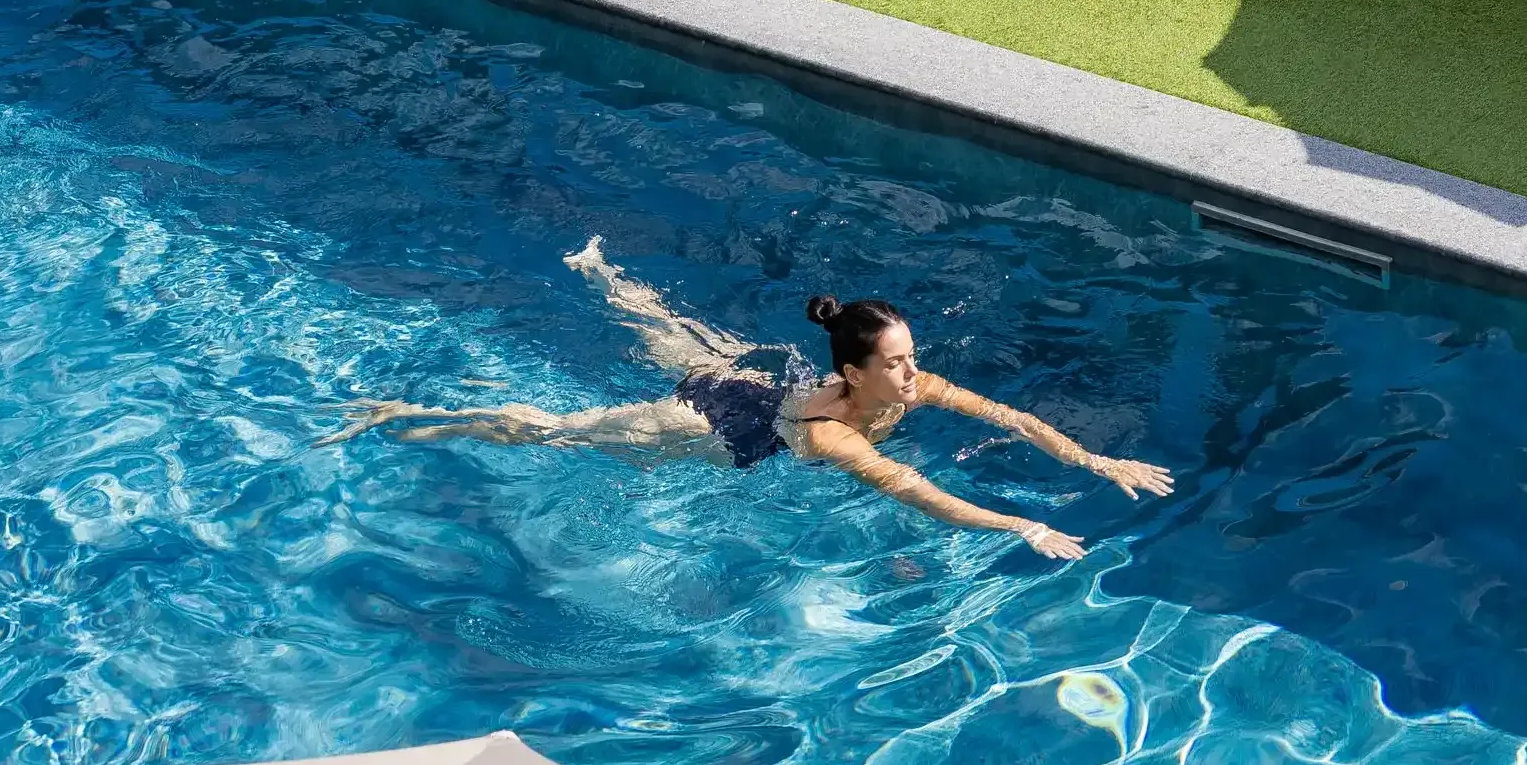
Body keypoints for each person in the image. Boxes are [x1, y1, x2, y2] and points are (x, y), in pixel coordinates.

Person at [338, 240, 1172, 563]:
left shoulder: (907, 389)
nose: (916, 376)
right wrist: (1018, 523)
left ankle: (594, 267)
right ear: (854, 370)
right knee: (561, 432)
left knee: (669, 328)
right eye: (899, 363)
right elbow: (923, 496)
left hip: (754, 384)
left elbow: (1015, 418)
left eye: (914, 359)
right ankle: (403, 415)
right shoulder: (839, 435)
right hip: (714, 425)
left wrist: (1094, 458)